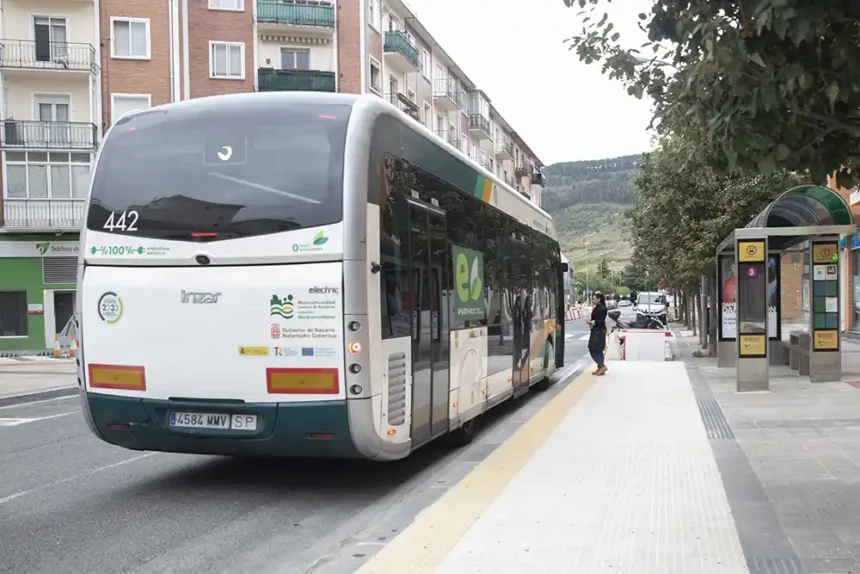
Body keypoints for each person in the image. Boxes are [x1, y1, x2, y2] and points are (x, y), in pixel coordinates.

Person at [586, 291, 608, 375]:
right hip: (598, 330)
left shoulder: (601, 308)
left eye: (594, 298)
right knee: (598, 349)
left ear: (599, 299)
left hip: (598, 331)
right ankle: (600, 367)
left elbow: (600, 321)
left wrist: (591, 322)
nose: (592, 300)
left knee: (593, 348)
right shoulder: (599, 307)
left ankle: (602, 366)